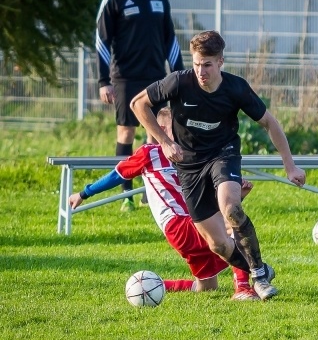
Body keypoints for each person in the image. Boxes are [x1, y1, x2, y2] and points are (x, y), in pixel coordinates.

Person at [130, 30, 306, 301]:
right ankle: (260, 269)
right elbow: (138, 104)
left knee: (231, 208)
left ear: (221, 61)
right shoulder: (178, 82)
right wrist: (164, 141)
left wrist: (290, 166)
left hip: (223, 155)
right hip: (188, 167)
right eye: (197, 63)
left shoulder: (235, 88)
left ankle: (257, 276)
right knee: (218, 244)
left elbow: (270, 123)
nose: (201, 71)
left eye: (208, 64)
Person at [68, 108, 260, 301]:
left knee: (207, 286)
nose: (184, 133)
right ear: (160, 130)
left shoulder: (190, 155)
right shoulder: (150, 153)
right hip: (178, 224)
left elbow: (207, 199)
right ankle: (243, 289)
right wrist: (84, 192)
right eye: (177, 128)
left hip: (195, 222)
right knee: (231, 228)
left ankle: (149, 286)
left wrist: (237, 197)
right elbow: (117, 175)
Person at [96, 0, 184, 212]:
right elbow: (101, 41)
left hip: (157, 76)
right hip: (124, 78)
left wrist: (180, 75)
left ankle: (150, 191)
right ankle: (126, 196)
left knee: (156, 133)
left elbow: (170, 39)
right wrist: (104, 81)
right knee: (127, 132)